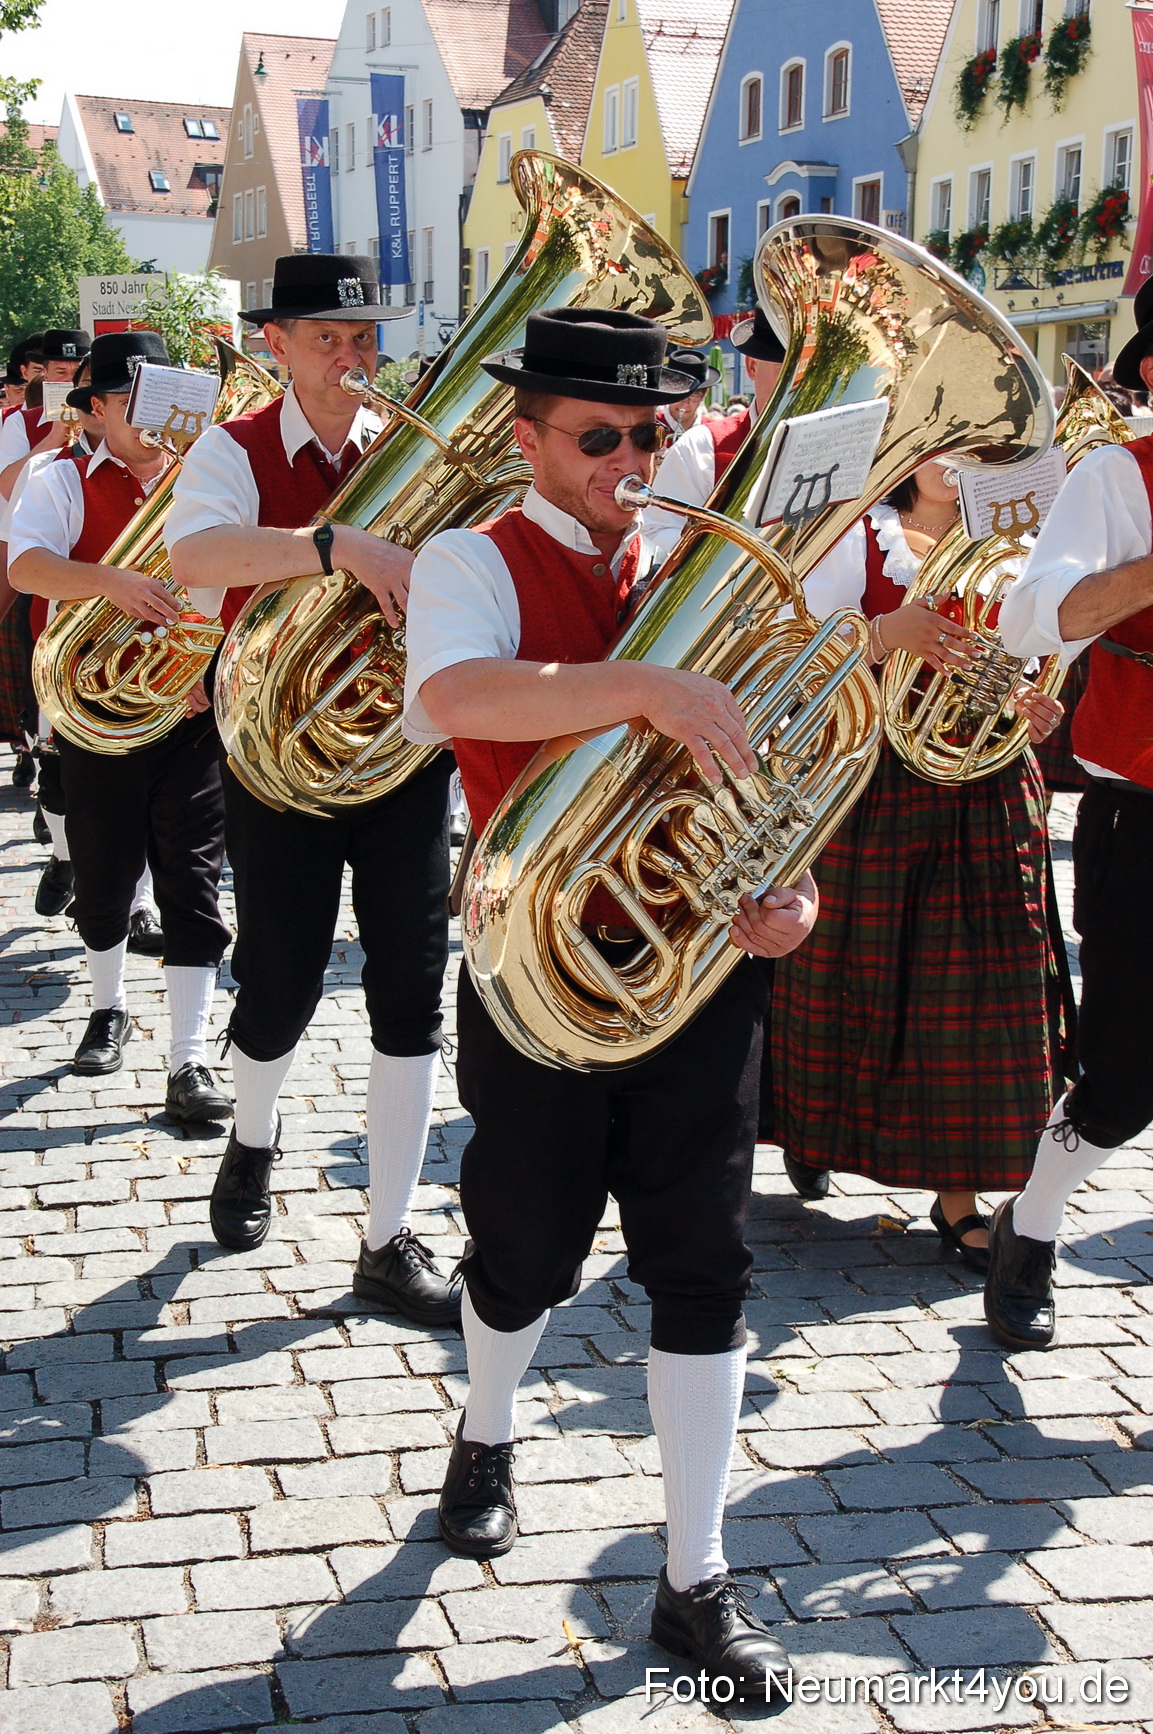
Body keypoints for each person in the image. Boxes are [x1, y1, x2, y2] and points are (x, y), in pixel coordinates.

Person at [403, 306, 820, 1703]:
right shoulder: (476, 557)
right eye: (601, 437)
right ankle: (486, 1421)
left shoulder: (706, 565)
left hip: (692, 970)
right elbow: (454, 691)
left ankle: (695, 1575)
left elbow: (775, 768)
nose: (632, 457)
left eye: (656, 432)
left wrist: (787, 892)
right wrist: (643, 681)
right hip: (535, 970)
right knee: (522, 1250)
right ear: (528, 438)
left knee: (704, 1262)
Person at [165, 252, 460, 1327]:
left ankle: (385, 1238)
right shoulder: (234, 449)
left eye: (363, 338)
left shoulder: (411, 453)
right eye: (327, 340)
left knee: (410, 1000)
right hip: (276, 760)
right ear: (275, 348)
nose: (352, 356)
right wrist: (332, 545)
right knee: (280, 984)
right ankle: (251, 1136)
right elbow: (193, 550)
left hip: (399, 758)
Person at [770, 459, 1069, 1270]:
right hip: (867, 775)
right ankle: (812, 1130)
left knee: (977, 992)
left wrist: (1030, 701)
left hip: (983, 781)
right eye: (945, 443)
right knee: (847, 977)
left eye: (977, 449)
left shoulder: (1011, 541)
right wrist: (876, 635)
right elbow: (777, 648)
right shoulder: (849, 528)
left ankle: (959, 1195)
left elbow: (1018, 659)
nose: (957, 463)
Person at [988, 278, 1153, 1347]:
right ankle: (1032, 1223)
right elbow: (1028, 615)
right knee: (1126, 1079)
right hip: (1143, 813)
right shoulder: (1115, 477)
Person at [8, 332, 231, 1121]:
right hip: (98, 709)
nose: (150, 416)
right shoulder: (60, 477)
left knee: (192, 877)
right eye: (130, 401)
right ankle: (107, 1008)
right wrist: (109, 582)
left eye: (163, 399)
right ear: (96, 409)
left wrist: (213, 665)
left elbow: (243, 577)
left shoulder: (207, 481)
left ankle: (190, 1054)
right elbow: (27, 567)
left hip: (190, 708)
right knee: (104, 872)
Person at [643, 307, 785, 564]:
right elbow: (655, 531)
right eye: (786, 372)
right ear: (752, 367)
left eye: (695, 393)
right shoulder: (702, 445)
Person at [0, 329, 90, 500]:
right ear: (46, 375)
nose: (70, 380)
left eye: (77, 373)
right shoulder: (20, 422)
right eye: (61, 372)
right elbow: (6, 489)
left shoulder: (105, 418)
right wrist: (52, 439)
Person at [655, 346, 719, 438]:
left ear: (704, 394)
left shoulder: (714, 430)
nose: (685, 402)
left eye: (694, 394)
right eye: (679, 392)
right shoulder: (650, 425)